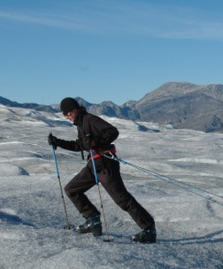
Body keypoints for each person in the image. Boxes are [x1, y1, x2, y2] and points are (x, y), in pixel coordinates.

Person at [48, 97, 156, 243]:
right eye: (64, 115)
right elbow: (80, 145)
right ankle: (93, 220)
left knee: (122, 199)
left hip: (106, 164)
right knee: (71, 189)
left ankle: (149, 228)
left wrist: (96, 142)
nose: (67, 117)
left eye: (68, 113)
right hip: (93, 165)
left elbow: (113, 132)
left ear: (75, 109)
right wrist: (58, 143)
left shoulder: (90, 119)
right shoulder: (81, 124)